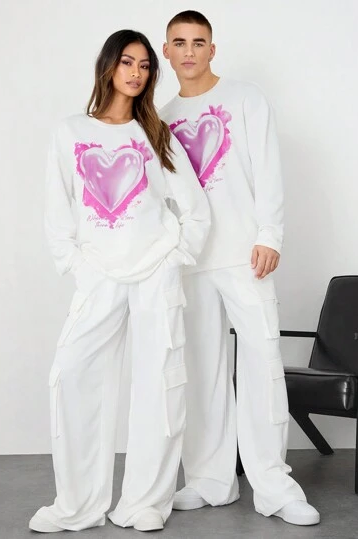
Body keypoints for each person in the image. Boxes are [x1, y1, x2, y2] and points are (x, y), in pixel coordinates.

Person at [28, 29, 210, 534]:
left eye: (145, 66)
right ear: (108, 65)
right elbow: (57, 212)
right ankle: (79, 505)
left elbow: (195, 210)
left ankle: (144, 502)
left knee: (159, 384)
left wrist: (174, 259)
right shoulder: (70, 132)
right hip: (99, 274)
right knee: (74, 377)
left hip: (155, 272)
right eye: (127, 62)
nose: (136, 73)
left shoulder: (156, 134)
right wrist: (78, 267)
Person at [160, 10, 320, 526]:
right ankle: (209, 481)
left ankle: (274, 486)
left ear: (212, 49)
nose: (189, 51)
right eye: (179, 42)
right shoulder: (160, 118)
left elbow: (268, 168)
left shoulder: (246, 98)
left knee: (262, 365)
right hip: (192, 262)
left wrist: (269, 234)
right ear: (166, 51)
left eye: (198, 42)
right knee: (202, 370)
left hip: (246, 254)